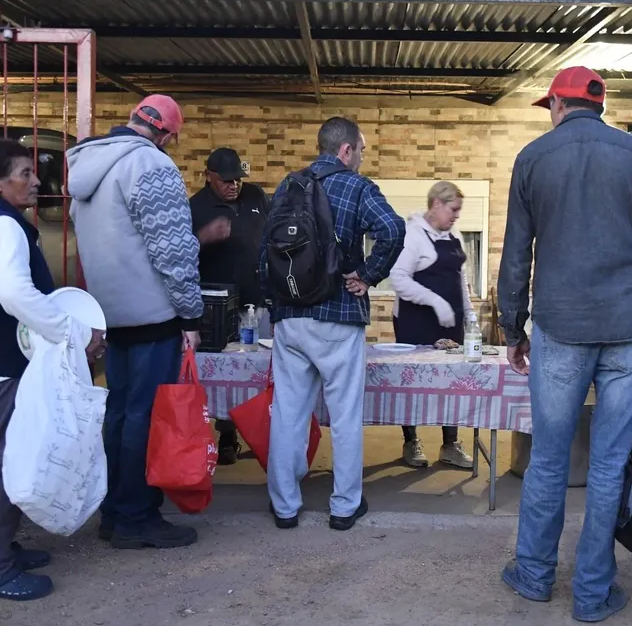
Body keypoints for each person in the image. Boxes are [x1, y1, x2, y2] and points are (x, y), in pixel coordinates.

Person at [496, 66, 632, 624]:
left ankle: (533, 575)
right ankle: (593, 592)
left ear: (558, 104)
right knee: (608, 465)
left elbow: (516, 253)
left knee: (550, 461)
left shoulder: (532, 158)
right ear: (597, 105)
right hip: (630, 328)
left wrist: (513, 326)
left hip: (559, 326)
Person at [0, 139, 105, 600]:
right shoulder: (2, 226)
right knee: (7, 463)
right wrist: (74, 334)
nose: (36, 179)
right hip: (2, 363)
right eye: (24, 172)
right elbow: (16, 295)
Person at [68, 94, 204, 550]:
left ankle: (113, 511)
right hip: (152, 313)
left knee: (121, 414)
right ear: (166, 134)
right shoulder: (151, 166)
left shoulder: (88, 164)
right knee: (145, 418)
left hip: (110, 313)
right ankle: (136, 516)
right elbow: (174, 250)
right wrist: (190, 311)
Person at [260, 116, 405, 532]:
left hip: (289, 319)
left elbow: (264, 251)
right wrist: (368, 274)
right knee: (344, 416)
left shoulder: (288, 186)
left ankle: (285, 507)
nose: (362, 157)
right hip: (338, 316)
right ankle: (343, 507)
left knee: (288, 414)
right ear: (346, 150)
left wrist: (276, 302)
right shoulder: (357, 187)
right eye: (361, 149)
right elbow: (393, 229)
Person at [189, 147, 270, 464]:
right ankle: (226, 435)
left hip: (258, 300)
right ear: (208, 175)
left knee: (260, 370)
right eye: (226, 180)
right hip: (218, 308)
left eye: (237, 178)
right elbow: (180, 256)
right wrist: (204, 237)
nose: (234, 185)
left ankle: (261, 433)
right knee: (223, 375)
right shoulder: (196, 207)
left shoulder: (256, 197)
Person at [389, 180, 475, 470]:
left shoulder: (454, 234)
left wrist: (470, 315)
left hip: (450, 324)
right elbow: (399, 279)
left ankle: (450, 443)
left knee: (452, 383)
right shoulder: (412, 235)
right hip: (416, 323)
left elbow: (460, 280)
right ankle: (411, 440)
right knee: (411, 384)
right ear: (436, 204)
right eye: (453, 210)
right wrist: (435, 301)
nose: (456, 216)